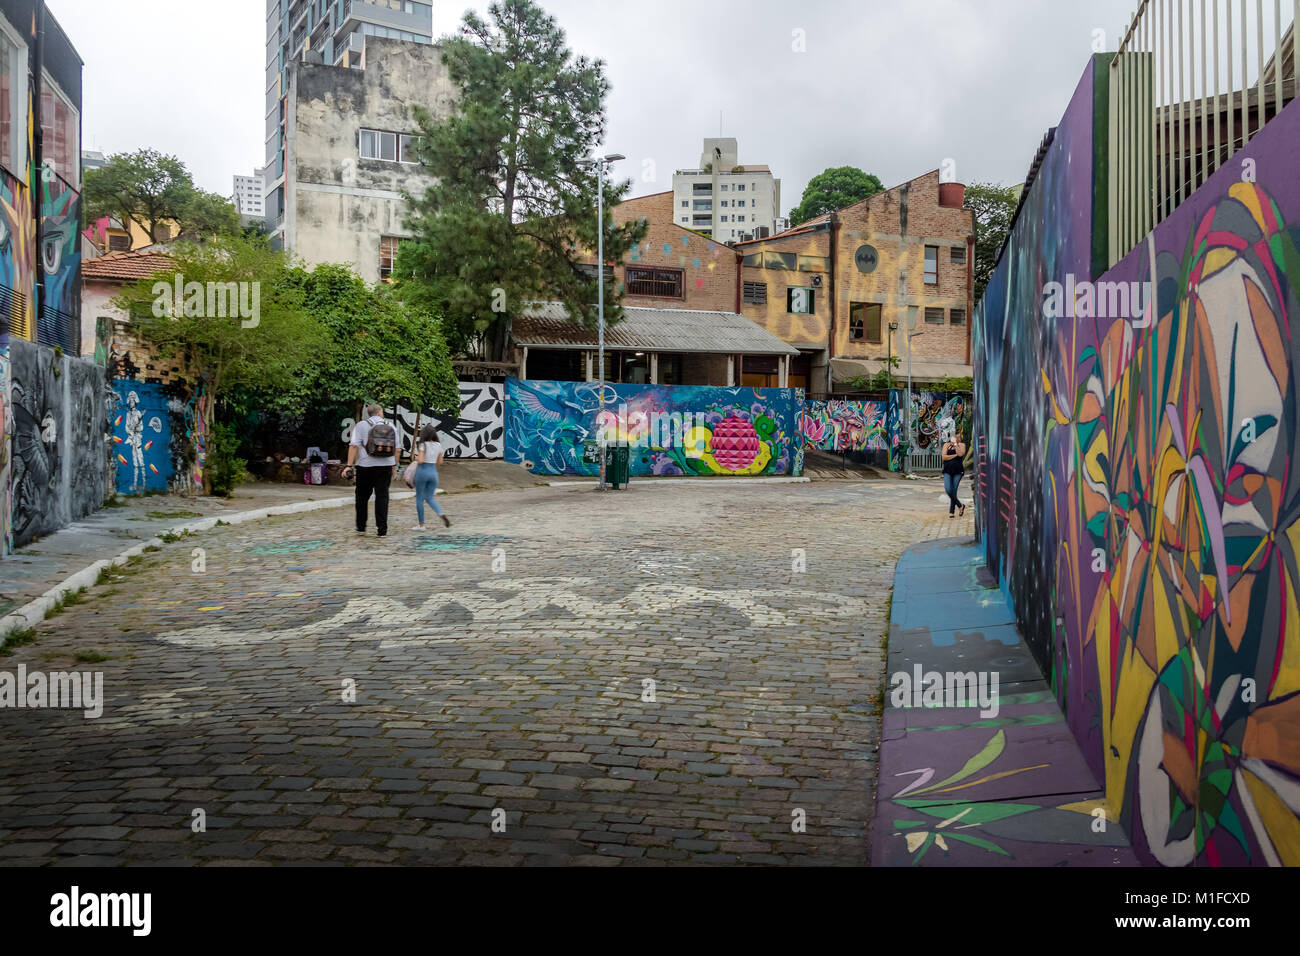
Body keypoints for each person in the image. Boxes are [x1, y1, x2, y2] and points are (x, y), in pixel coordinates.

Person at [343, 404, 398, 536]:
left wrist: (349, 465)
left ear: (369, 414)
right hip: (385, 466)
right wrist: (394, 465)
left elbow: (353, 446)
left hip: (365, 466)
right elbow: (398, 448)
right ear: (379, 413)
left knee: (361, 497)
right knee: (382, 497)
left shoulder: (361, 425)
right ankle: (382, 530)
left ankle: (361, 526)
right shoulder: (391, 425)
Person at [412, 424, 452, 530]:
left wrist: (416, 458)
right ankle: (440, 513)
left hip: (422, 473)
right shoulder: (438, 445)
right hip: (433, 473)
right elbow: (440, 461)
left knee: (419, 498)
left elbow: (420, 460)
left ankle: (421, 525)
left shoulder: (422, 445)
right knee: (430, 497)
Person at [942, 432, 967, 518]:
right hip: (947, 470)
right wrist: (955, 455)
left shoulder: (962, 445)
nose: (957, 438)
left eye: (959, 437)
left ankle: (951, 512)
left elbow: (960, 454)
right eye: (956, 436)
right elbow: (944, 457)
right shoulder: (946, 445)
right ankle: (960, 506)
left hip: (958, 471)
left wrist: (956, 445)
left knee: (954, 490)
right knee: (948, 489)